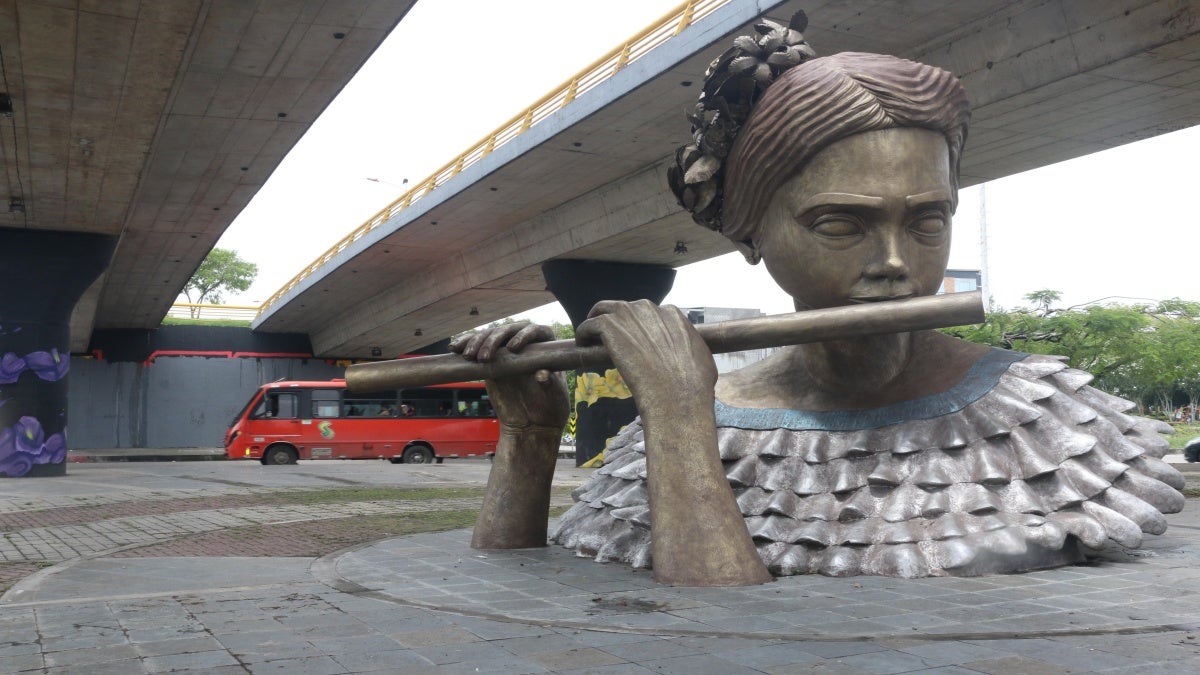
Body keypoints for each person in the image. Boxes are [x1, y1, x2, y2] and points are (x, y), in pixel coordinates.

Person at [452, 20, 1184, 585]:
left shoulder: (1050, 420)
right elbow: (550, 596)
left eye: (927, 222)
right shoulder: (695, 414)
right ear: (753, 232)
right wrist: (532, 436)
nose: (894, 263)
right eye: (842, 225)